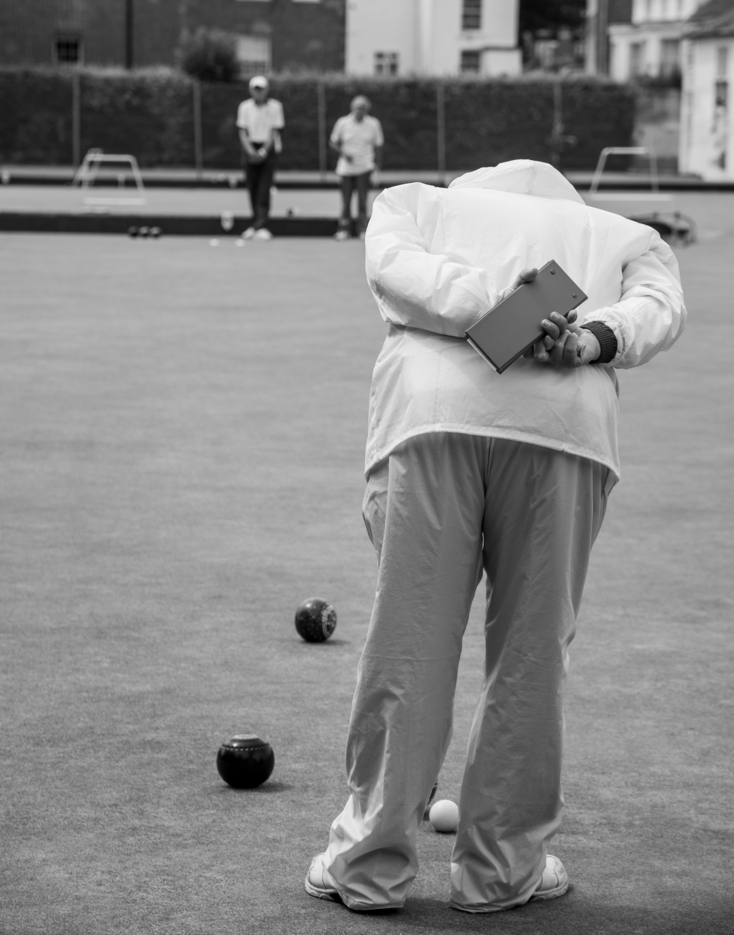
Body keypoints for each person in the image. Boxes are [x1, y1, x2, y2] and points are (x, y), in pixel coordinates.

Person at [305, 159, 686, 913]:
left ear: (473, 185)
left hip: (434, 415)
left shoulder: (415, 202)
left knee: (410, 640)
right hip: (564, 432)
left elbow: (393, 267)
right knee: (532, 650)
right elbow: (660, 308)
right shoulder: (621, 233)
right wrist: (587, 336)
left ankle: (368, 866)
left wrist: (495, 305)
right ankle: (501, 869)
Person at [236, 76, 284, 241]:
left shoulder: (275, 106)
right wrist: (250, 152)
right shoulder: (244, 107)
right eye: (255, 89)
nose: (258, 92)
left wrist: (263, 152)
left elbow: (274, 131)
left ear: (267, 90)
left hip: (267, 149)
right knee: (252, 187)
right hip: (250, 148)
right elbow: (242, 131)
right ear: (251, 90)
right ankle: (255, 223)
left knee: (264, 188)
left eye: (261, 89)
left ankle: (261, 226)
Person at [330, 96, 384, 240]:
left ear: (366, 109)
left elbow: (378, 145)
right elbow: (333, 142)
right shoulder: (342, 123)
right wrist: (344, 153)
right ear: (352, 108)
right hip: (345, 169)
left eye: (362, 107)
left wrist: (377, 167)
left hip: (365, 168)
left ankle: (363, 230)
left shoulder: (373, 124)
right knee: (345, 201)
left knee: (362, 200)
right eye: (357, 107)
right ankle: (343, 229)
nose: (359, 110)